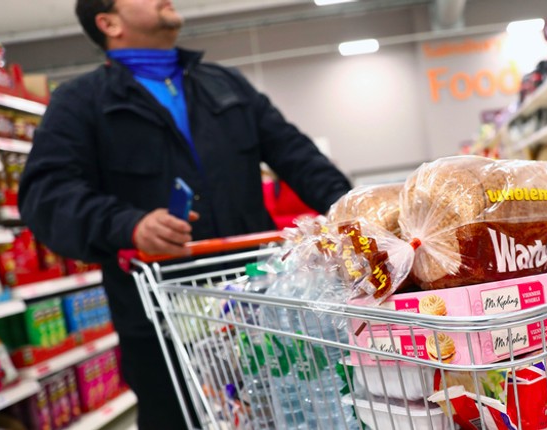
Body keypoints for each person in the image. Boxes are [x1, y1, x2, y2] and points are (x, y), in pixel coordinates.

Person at [18, 0, 352, 428]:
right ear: (109, 22)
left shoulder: (224, 84)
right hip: (160, 321)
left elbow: (298, 155)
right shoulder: (80, 102)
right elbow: (46, 195)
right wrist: (130, 225)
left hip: (257, 304)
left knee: (285, 415)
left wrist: (352, 208)